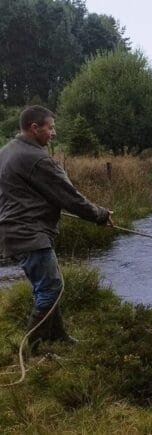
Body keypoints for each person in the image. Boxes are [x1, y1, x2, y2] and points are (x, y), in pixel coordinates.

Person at [0, 105, 113, 347]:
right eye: (50, 128)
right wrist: (100, 215)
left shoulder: (6, 151)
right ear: (34, 128)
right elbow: (69, 197)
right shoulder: (37, 158)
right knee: (50, 288)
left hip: (15, 231)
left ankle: (57, 336)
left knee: (49, 285)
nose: (54, 132)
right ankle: (31, 349)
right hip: (29, 233)